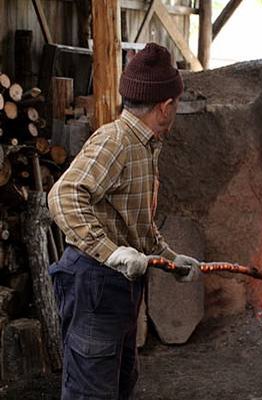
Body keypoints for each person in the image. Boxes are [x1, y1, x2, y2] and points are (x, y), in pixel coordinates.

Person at [48, 42, 200, 399]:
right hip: (93, 282)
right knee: (92, 392)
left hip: (120, 285)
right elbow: (63, 196)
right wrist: (112, 252)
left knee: (120, 383)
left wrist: (171, 259)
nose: (175, 111)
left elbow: (135, 224)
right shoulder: (115, 141)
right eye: (175, 104)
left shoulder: (144, 146)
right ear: (165, 107)